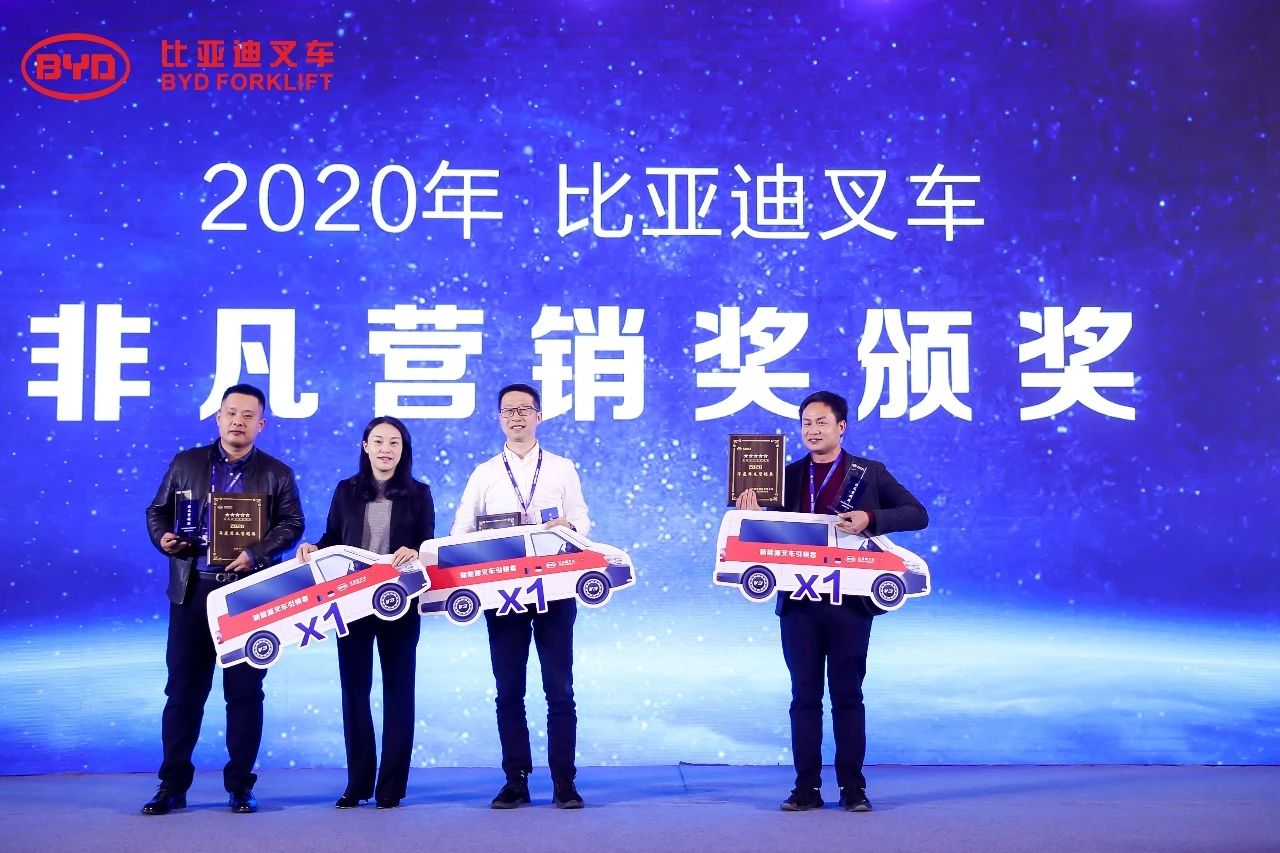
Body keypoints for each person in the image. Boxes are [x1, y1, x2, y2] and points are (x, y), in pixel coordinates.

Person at [737, 390, 928, 813]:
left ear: (841, 427)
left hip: (850, 604)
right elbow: (763, 534)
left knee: (847, 696)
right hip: (799, 602)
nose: (812, 430)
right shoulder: (785, 476)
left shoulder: (868, 473)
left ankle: (852, 788)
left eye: (821, 422)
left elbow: (918, 513)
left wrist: (871, 518)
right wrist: (750, 510)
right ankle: (805, 788)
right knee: (804, 697)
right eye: (806, 423)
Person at [142, 384, 305, 815]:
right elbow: (157, 511)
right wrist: (163, 537)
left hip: (247, 595)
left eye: (248, 415)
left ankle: (240, 786)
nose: (238, 421)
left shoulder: (277, 473)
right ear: (218, 418)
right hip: (192, 590)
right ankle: (171, 785)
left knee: (245, 693)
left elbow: (293, 524)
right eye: (231, 413)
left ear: (260, 424)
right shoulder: (186, 463)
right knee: (183, 692)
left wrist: (257, 551)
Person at [452, 383, 591, 810]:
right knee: (509, 690)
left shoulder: (562, 468)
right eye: (508, 411)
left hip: (555, 589)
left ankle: (564, 781)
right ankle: (516, 780)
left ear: (539, 416)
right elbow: (461, 530)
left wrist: (570, 527)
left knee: (559, 688)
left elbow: (583, 519)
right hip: (502, 594)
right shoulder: (484, 473)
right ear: (499, 419)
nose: (516, 417)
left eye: (524, 409)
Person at [295, 416, 435, 810]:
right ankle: (357, 783)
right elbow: (332, 538)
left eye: (394, 442)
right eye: (379, 441)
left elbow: (428, 543)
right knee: (354, 691)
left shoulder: (419, 493)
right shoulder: (346, 490)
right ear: (365, 446)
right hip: (352, 602)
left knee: (399, 691)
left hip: (399, 600)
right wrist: (313, 548)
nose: (386, 448)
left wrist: (416, 550)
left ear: (403, 450)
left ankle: (391, 786)